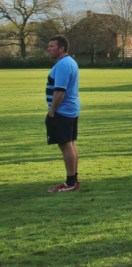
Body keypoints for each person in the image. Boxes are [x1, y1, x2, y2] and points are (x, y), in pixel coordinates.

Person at [45, 35, 81, 192]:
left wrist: (52, 111)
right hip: (70, 109)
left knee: (65, 144)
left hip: (62, 111)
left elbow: (60, 91)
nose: (49, 49)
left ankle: (70, 183)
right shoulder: (69, 62)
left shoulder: (63, 65)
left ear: (61, 48)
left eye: (52, 46)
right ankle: (73, 180)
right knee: (70, 143)